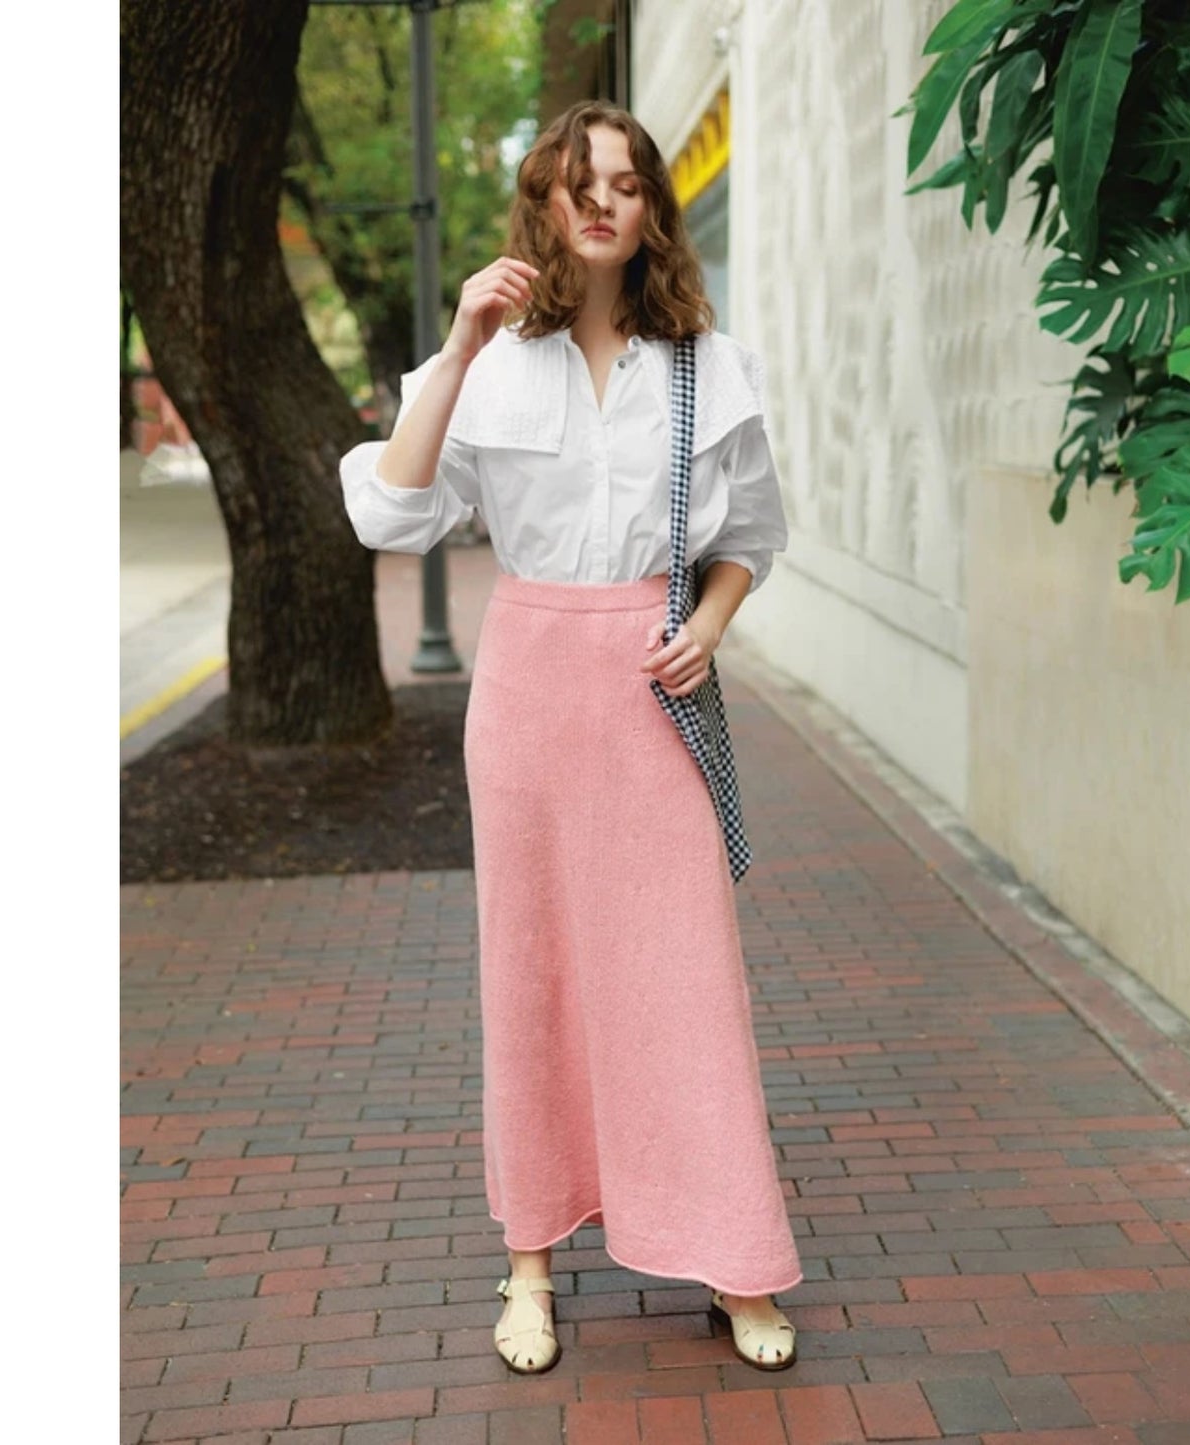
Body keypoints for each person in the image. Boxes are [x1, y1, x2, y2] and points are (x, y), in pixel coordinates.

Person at [339, 100, 801, 1375]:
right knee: (531, 973)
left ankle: (734, 1254)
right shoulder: (490, 364)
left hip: (652, 692)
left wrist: (708, 623)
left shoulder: (708, 364)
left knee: (685, 976)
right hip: (529, 694)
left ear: (652, 209)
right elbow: (390, 513)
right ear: (542, 203)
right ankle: (530, 1264)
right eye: (575, 182)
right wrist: (457, 342)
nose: (599, 202)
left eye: (624, 184)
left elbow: (748, 539)